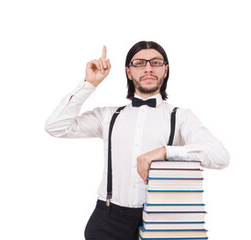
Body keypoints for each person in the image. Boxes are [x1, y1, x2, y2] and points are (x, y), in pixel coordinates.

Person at [44, 41, 230, 239]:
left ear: (165, 70)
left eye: (156, 63)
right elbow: (55, 126)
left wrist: (166, 151)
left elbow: (220, 156)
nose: (148, 68)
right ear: (128, 71)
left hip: (162, 220)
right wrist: (89, 84)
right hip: (108, 219)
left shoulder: (181, 117)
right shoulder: (108, 116)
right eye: (139, 63)